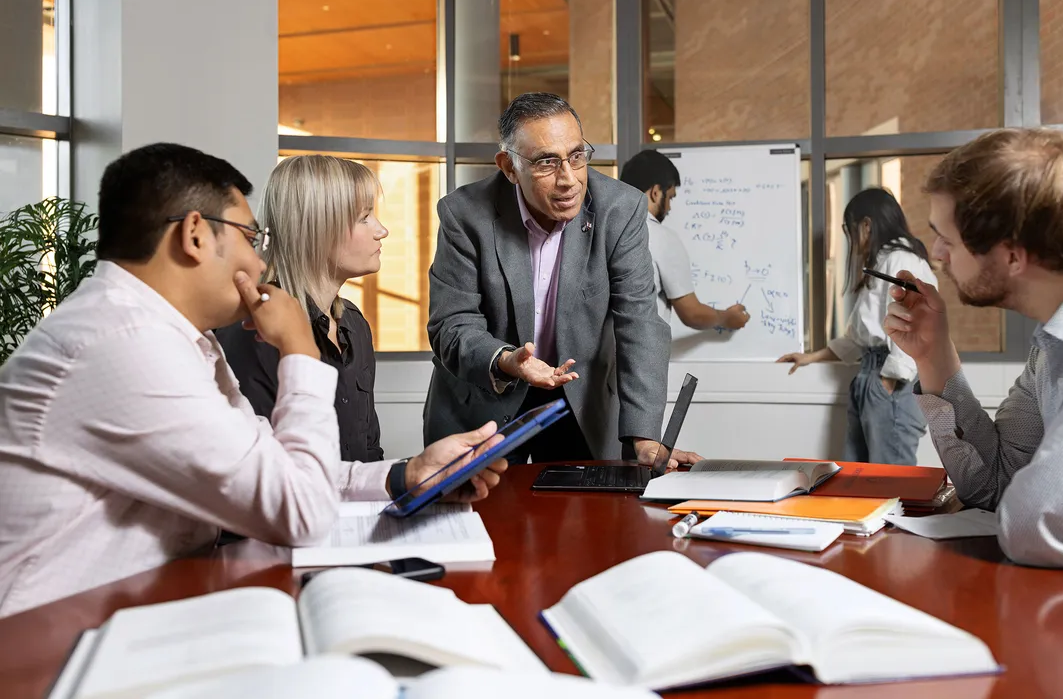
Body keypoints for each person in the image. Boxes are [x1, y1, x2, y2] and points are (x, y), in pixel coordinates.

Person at [0, 143, 505, 617]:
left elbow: (274, 468)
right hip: (44, 644)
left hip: (141, 608)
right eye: (249, 237)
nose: (259, 260)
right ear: (194, 234)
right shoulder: (122, 342)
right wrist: (300, 349)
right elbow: (298, 511)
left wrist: (406, 475)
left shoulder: (178, 339)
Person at [424, 92, 698, 466]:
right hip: (487, 399)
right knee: (485, 523)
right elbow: (452, 324)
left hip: (582, 404)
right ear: (509, 166)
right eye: (547, 162)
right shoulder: (464, 214)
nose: (569, 179)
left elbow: (640, 323)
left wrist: (645, 436)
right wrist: (506, 360)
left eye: (576, 156)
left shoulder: (620, 208)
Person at [884, 127, 1063, 568]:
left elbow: (1038, 525)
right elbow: (995, 485)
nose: (939, 254)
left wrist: (1026, 504)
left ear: (1012, 255)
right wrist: (933, 355)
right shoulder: (1053, 344)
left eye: (948, 238)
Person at [219, 155, 388, 465]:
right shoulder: (250, 331)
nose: (382, 231)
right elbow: (263, 472)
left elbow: (369, 454)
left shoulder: (354, 324)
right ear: (318, 228)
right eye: (364, 217)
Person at [778, 187, 937, 465]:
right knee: (858, 477)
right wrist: (810, 358)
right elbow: (857, 338)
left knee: (890, 484)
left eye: (849, 229)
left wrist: (889, 382)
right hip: (872, 376)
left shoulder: (902, 260)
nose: (850, 238)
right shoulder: (883, 262)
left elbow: (917, 326)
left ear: (866, 225)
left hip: (889, 380)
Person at [620, 149, 751, 331]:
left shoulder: (604, 232)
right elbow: (692, 314)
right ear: (656, 193)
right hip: (642, 354)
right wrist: (726, 318)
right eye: (671, 197)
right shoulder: (660, 237)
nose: (670, 207)